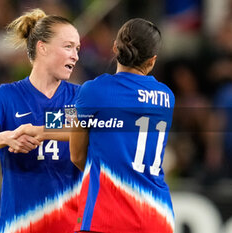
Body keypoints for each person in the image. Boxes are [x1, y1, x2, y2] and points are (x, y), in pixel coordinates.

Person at [0, 8, 82, 233]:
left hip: (68, 226)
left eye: (77, 48)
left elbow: (84, 131)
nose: (75, 55)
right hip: (19, 226)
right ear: (43, 48)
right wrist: (7, 138)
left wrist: (42, 131)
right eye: (68, 46)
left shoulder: (78, 98)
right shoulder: (6, 96)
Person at [70, 18, 175, 233]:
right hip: (158, 217)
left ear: (115, 48)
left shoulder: (93, 90)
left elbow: (77, 155)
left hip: (106, 216)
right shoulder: (167, 97)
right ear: (152, 61)